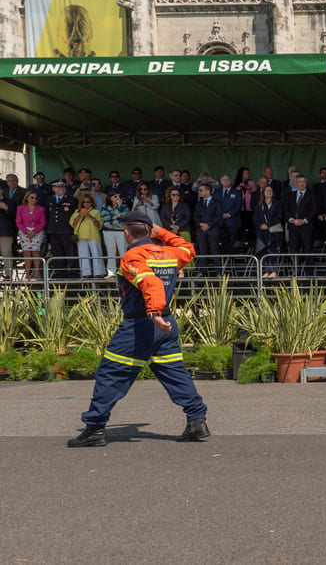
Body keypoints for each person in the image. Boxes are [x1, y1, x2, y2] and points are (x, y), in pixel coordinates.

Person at [67, 211, 209, 447]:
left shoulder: (132, 256)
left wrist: (153, 312)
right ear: (150, 231)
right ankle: (197, 421)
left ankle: (94, 428)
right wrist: (161, 232)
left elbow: (150, 282)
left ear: (125, 233)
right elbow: (187, 249)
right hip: (166, 325)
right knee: (174, 373)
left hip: (140, 325)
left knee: (111, 373)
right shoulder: (168, 253)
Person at [285, 174, 317, 275]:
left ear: (306, 183)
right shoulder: (290, 195)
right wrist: (291, 220)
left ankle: (309, 272)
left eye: (303, 182)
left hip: (306, 227)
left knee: (308, 249)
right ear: (296, 183)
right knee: (294, 249)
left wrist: (304, 220)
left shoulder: (311, 196)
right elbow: (286, 210)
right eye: (299, 182)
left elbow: (314, 211)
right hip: (293, 227)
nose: (301, 184)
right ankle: (295, 271)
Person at [46, 179, 78, 279]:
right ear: (53, 188)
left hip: (67, 231)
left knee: (70, 252)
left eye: (63, 187)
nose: (61, 189)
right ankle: (60, 273)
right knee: (57, 252)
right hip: (53, 231)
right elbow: (47, 215)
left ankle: (73, 272)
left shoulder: (71, 200)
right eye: (59, 188)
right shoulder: (49, 200)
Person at [69, 193, 103, 279]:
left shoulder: (96, 212)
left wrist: (90, 217)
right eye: (84, 202)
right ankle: (85, 273)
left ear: (92, 203)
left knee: (96, 253)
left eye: (88, 202)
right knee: (83, 254)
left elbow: (99, 225)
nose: (86, 203)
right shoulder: (76, 212)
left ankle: (98, 272)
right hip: (81, 236)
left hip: (93, 235)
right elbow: (72, 223)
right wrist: (80, 215)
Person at [253, 184, 283, 278]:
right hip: (262, 232)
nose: (269, 192)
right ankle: (266, 270)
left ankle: (274, 270)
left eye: (270, 191)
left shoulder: (277, 203)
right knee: (264, 251)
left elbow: (279, 217)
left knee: (273, 251)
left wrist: (268, 225)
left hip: (273, 231)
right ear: (263, 193)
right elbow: (255, 217)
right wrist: (260, 225)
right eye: (267, 191)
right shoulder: (260, 204)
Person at [193, 183, 223, 275]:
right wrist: (200, 224)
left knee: (215, 250)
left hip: (213, 230)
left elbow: (218, 215)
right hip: (201, 230)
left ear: (208, 191)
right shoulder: (199, 203)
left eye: (201, 190)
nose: (199, 192)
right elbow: (195, 216)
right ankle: (202, 271)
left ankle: (218, 272)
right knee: (202, 251)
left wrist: (209, 225)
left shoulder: (217, 203)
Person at [0, 183, 16, 279]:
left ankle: (8, 275)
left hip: (5, 232)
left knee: (7, 253)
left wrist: (5, 207)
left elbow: (15, 214)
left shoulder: (9, 202)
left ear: (2, 190)